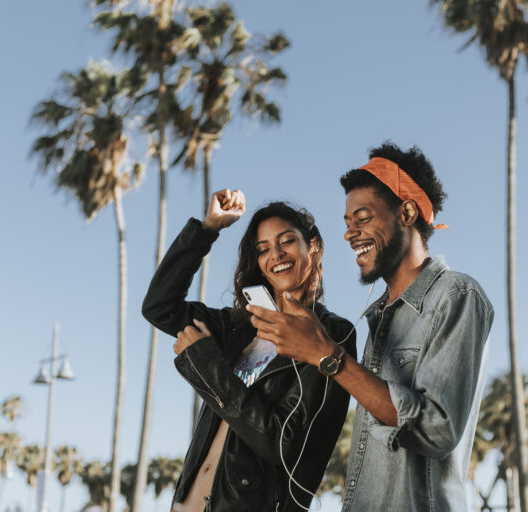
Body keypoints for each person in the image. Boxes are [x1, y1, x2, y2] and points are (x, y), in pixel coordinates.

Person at [247, 143, 494, 511]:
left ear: (407, 212)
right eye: (347, 223)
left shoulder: (456, 295)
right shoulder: (378, 318)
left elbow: (436, 429)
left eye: (362, 218)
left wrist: (327, 357)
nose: (349, 234)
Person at [142, 189, 357, 512]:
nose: (276, 255)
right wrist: (209, 227)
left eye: (286, 241)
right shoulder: (239, 327)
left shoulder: (331, 334)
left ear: (312, 246)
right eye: (263, 248)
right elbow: (159, 307)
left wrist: (207, 366)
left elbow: (284, 443)